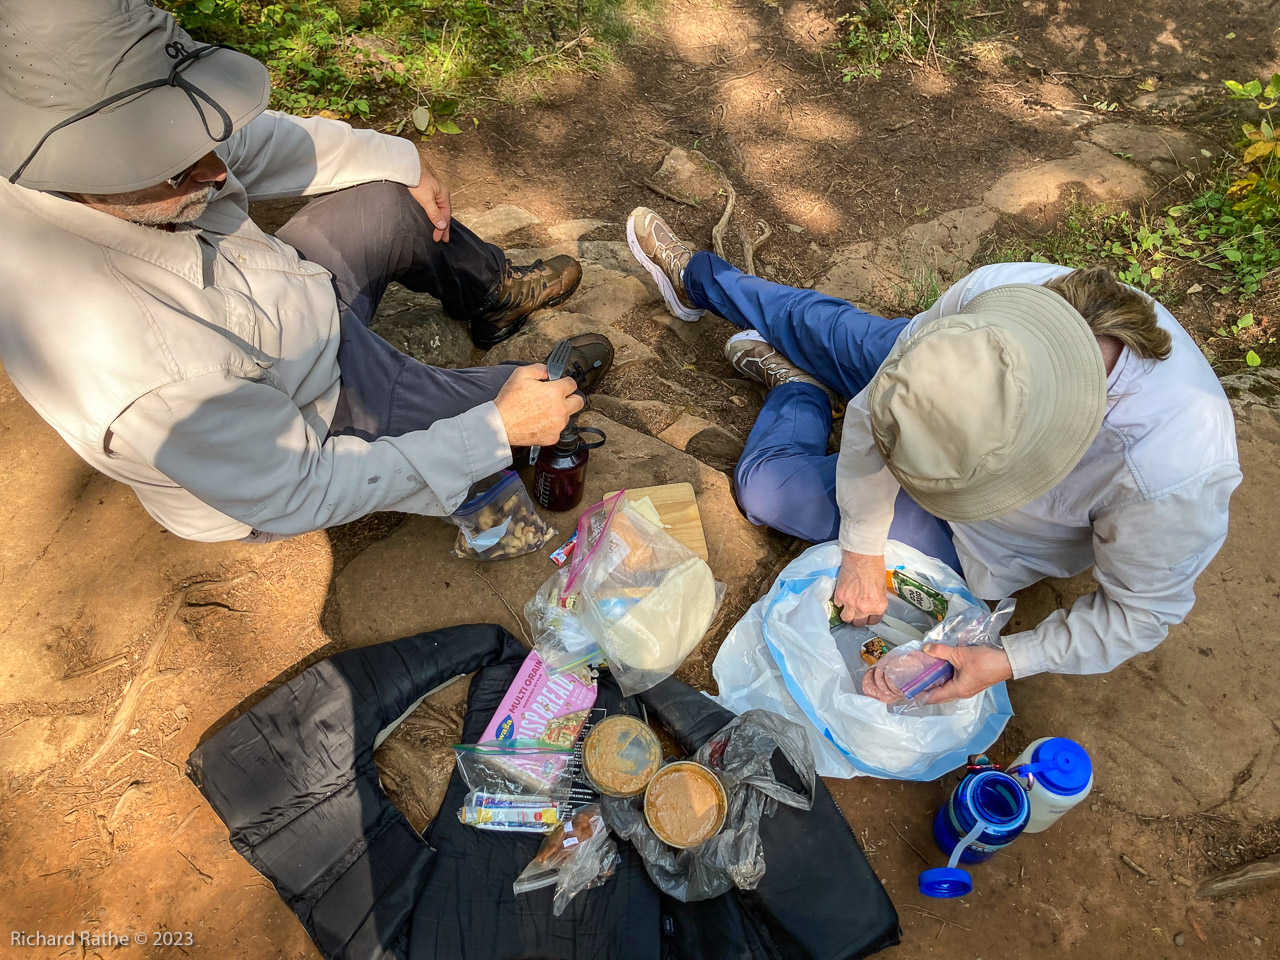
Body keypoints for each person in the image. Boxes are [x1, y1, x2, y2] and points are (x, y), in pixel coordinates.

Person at [0, 0, 609, 544]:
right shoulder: (141, 364)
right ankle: (516, 428)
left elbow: (253, 143)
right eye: (177, 168)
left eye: (200, 139)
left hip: (281, 301)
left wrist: (405, 160)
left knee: (390, 202)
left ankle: (493, 297)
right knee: (539, 408)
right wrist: (496, 429)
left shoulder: (65, 147)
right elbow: (301, 490)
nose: (216, 171)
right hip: (306, 416)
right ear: (85, 172)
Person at [626, 206, 1242, 702]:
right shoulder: (1004, 297)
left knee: (765, 488)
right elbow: (878, 407)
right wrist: (863, 549)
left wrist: (1006, 660)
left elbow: (1139, 615)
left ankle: (798, 391)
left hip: (983, 542)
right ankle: (699, 278)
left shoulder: (1172, 474)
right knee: (816, 324)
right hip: (933, 368)